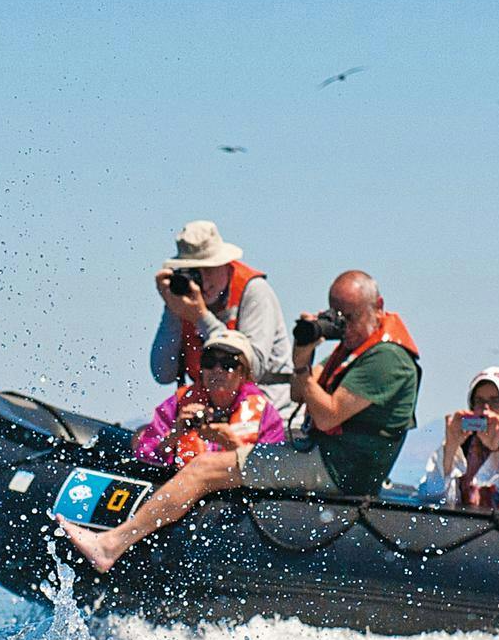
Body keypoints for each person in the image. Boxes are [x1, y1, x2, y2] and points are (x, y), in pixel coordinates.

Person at [60, 270, 419, 574]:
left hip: (339, 469)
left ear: (378, 307)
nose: (344, 327)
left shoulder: (386, 358)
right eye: (336, 315)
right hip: (327, 457)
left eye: (350, 318)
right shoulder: (358, 347)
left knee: (205, 468)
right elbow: (299, 393)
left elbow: (325, 416)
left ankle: (111, 545)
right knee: (211, 466)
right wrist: (304, 353)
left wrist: (305, 370)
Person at [150, 221, 288, 393]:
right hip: (213, 410)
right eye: (194, 272)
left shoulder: (254, 291)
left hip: (267, 409)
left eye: (209, 269)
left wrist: (202, 318)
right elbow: (163, 374)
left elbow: (253, 370)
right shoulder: (183, 301)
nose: (204, 281)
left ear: (226, 264)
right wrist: (171, 310)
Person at [134, 329, 287, 469]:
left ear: (244, 373)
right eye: (209, 362)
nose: (217, 370)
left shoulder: (265, 414)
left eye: (228, 364)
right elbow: (144, 458)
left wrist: (230, 443)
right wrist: (173, 436)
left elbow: (272, 473)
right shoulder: (178, 404)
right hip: (182, 489)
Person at [406, 367, 499, 512]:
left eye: (495, 402)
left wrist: (497, 450)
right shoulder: (465, 441)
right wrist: (450, 449)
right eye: (479, 401)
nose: (485, 410)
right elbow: (430, 497)